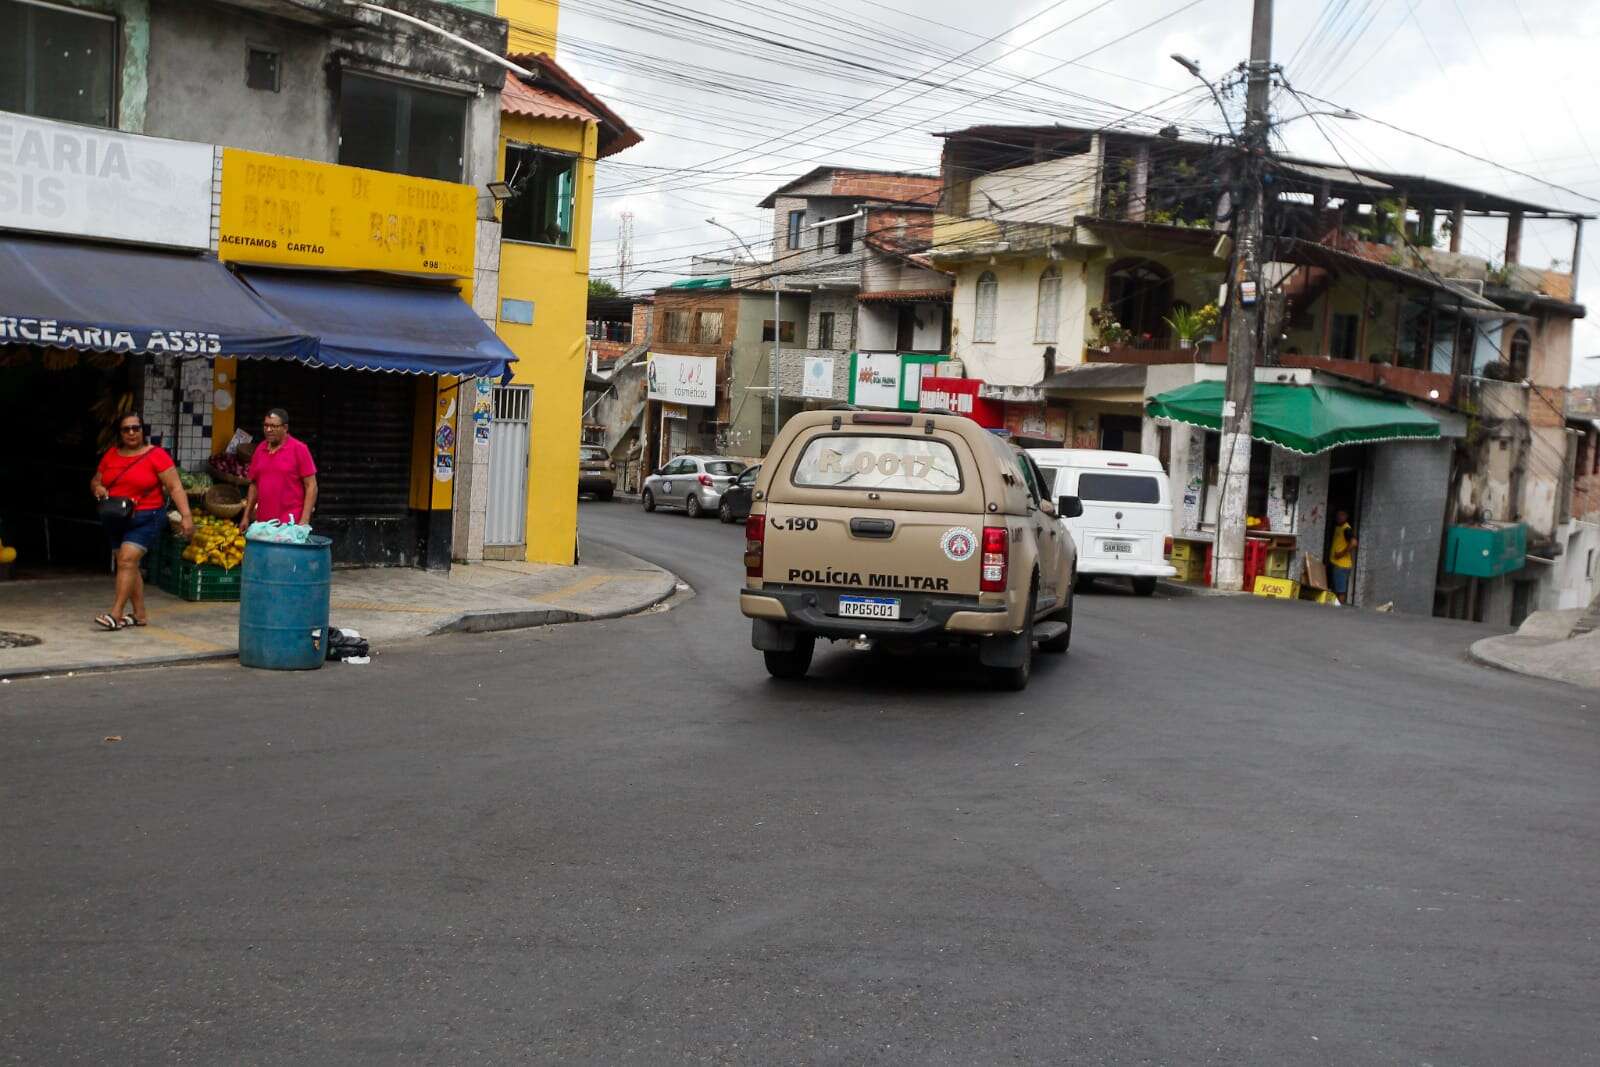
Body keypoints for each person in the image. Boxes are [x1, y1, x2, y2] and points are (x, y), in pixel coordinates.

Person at [90, 413, 193, 630]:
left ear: (142, 430)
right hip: (116, 517)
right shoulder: (111, 455)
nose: (131, 433)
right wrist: (98, 488)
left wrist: (186, 516)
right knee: (128, 564)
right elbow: (96, 480)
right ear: (120, 433)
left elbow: (175, 487)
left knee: (127, 560)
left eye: (135, 428)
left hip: (147, 516)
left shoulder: (157, 455)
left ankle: (116, 614)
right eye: (126, 429)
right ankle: (139, 614)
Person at [240, 408, 318, 528]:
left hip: (290, 524)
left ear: (285, 428)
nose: (268, 430)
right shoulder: (260, 449)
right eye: (266, 425)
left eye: (273, 426)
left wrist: (304, 521)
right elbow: (254, 485)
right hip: (264, 524)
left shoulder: (299, 449)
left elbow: (311, 486)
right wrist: (246, 516)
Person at [1329, 508, 1357, 604]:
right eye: (1338, 514)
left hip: (1342, 565)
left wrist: (1341, 553)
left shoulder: (1346, 529)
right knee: (1337, 589)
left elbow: (1353, 543)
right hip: (1337, 565)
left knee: (1340, 591)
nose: (1339, 517)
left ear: (1346, 516)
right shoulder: (1339, 527)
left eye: (1342, 515)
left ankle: (1340, 612)